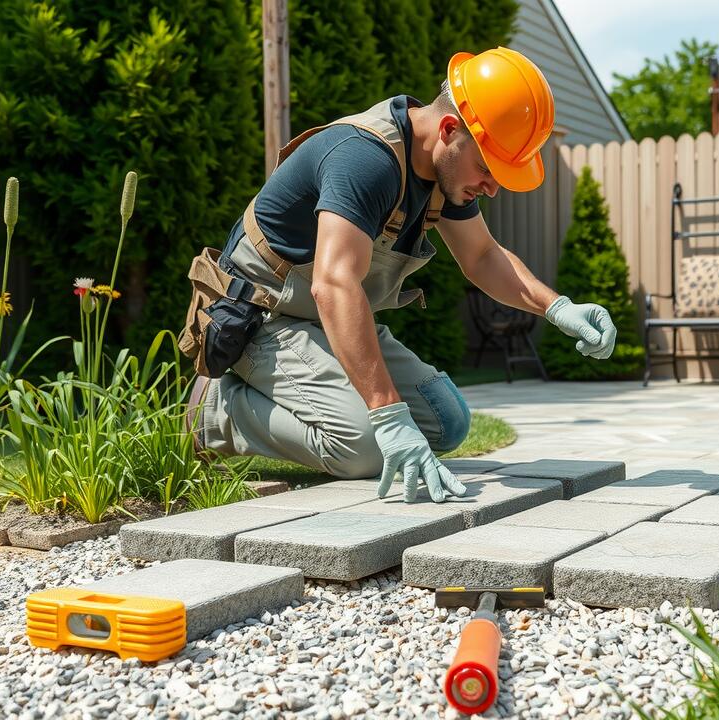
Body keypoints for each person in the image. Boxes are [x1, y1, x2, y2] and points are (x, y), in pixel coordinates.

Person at [186, 47, 617, 504]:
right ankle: (215, 411)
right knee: (363, 447)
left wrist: (557, 307)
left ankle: (316, 400)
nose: (492, 187)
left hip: (322, 314)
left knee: (446, 421)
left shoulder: (442, 166)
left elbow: (483, 256)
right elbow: (334, 284)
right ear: (450, 130)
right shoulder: (365, 160)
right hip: (263, 313)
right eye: (489, 169)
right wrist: (387, 414)